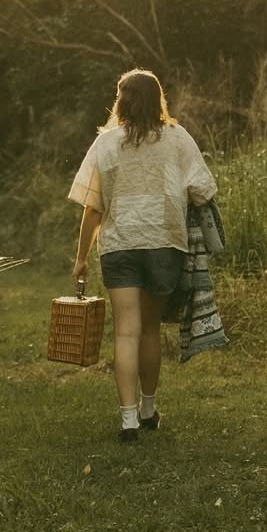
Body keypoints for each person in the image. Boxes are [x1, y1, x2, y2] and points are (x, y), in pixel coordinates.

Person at [69, 68, 218, 443]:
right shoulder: (178, 139)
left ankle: (128, 420)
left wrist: (81, 257)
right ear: (158, 100)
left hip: (120, 245)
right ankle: (149, 408)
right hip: (164, 243)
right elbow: (203, 190)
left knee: (126, 332)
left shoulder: (105, 144)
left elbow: (92, 206)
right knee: (150, 330)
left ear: (121, 100)